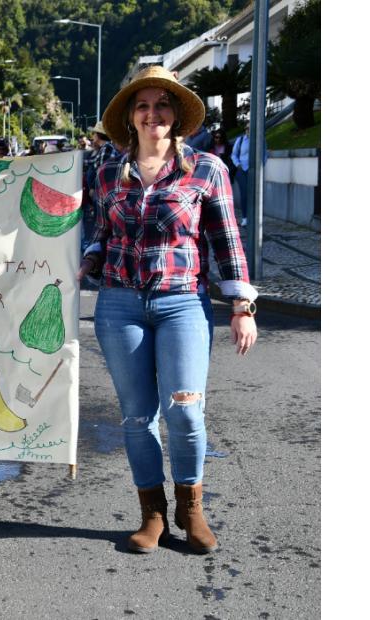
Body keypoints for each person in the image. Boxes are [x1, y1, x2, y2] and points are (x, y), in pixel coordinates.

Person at [80, 66, 258, 555]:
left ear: (176, 116)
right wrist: (89, 259)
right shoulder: (106, 169)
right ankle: (152, 514)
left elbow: (225, 239)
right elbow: (102, 229)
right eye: (143, 105)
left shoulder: (206, 169)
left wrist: (242, 304)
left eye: (162, 104)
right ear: (130, 117)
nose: (152, 113)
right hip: (119, 304)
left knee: (185, 410)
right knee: (137, 418)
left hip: (182, 303)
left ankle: (191, 507)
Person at [81, 121, 122, 252]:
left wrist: (93, 188)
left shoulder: (106, 149)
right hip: (100, 193)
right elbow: (91, 163)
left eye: (94, 134)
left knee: (99, 222)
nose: (92, 137)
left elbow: (101, 171)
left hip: (101, 193)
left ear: (98, 136)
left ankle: (96, 249)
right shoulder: (104, 149)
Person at [230, 125, 251, 226]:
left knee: (254, 194)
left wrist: (262, 165)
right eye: (247, 128)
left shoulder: (260, 139)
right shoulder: (241, 140)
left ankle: (253, 216)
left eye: (251, 128)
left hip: (254, 170)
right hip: (242, 170)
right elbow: (233, 154)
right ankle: (245, 217)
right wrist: (238, 164)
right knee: (245, 192)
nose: (249, 130)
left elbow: (264, 153)